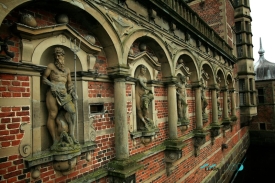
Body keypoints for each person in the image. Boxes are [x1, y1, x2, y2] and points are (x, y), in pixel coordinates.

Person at [43, 47, 78, 150]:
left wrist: (73, 92)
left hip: (64, 94)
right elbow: (44, 79)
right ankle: (54, 141)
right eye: (56, 55)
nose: (58, 57)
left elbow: (70, 84)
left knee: (72, 111)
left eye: (60, 55)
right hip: (53, 93)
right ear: (54, 57)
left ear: (63, 56)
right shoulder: (51, 66)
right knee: (52, 114)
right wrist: (51, 84)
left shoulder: (67, 70)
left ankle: (71, 135)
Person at [135, 65, 154, 130]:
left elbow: (145, 87)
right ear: (140, 70)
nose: (144, 71)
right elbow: (143, 85)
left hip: (144, 94)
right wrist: (149, 89)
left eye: (145, 70)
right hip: (137, 93)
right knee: (138, 109)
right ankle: (144, 123)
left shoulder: (145, 78)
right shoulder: (139, 77)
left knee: (145, 109)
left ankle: (145, 120)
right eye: (143, 70)